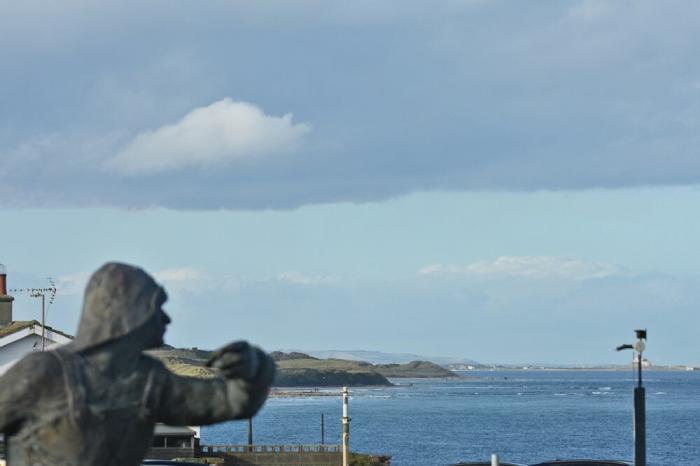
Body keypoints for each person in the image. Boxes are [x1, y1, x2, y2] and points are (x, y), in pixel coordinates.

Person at [0, 262, 275, 466]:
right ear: (127, 315)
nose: (166, 320)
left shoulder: (149, 381)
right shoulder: (45, 373)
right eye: (156, 308)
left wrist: (254, 367)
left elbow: (230, 401)